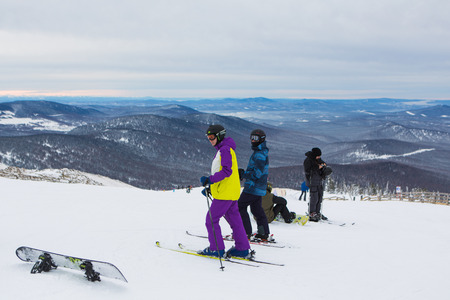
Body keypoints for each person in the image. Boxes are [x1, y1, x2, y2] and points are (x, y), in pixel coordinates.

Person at [198, 124, 251, 258]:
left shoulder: (225, 150)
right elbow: (226, 173)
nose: (210, 140)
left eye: (211, 137)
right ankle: (242, 248)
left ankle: (216, 249)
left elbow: (227, 171)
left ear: (219, 136)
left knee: (211, 220)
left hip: (225, 194)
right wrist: (211, 187)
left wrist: (209, 180)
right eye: (208, 138)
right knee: (235, 221)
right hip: (230, 192)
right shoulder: (226, 149)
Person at [238, 129, 271, 241]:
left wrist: (243, 174)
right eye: (251, 137)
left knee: (239, 207)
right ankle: (263, 233)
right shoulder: (261, 152)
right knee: (257, 210)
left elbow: (257, 173)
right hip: (258, 187)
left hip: (253, 187)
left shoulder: (260, 155)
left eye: (255, 138)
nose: (252, 140)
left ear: (261, 139)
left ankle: (245, 233)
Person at [303, 147, 328, 222]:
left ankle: (317, 212)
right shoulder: (308, 160)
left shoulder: (317, 159)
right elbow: (307, 171)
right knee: (314, 198)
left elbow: (322, 163)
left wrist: (323, 166)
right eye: (318, 156)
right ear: (314, 155)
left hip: (319, 180)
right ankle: (312, 213)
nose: (319, 157)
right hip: (312, 181)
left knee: (319, 197)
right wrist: (318, 167)